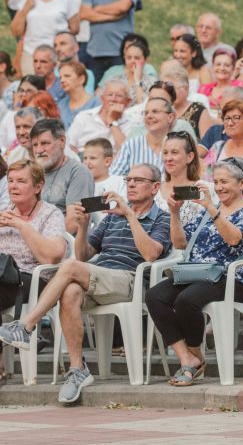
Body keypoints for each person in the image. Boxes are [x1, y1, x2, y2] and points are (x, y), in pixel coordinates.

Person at [0, 164, 170, 403]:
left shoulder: (161, 218)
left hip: (130, 280)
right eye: (129, 179)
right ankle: (77, 369)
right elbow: (83, 255)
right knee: (70, 291)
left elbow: (151, 255)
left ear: (155, 187)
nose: (131, 184)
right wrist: (82, 226)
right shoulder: (111, 219)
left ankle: (26, 326)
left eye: (138, 180)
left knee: (69, 267)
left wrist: (130, 216)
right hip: (100, 277)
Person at [145, 158, 243, 386]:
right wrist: (175, 213)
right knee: (154, 296)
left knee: (186, 300)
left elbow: (234, 239)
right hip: (196, 273)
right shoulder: (207, 212)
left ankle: (193, 360)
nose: (219, 187)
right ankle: (188, 357)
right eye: (216, 182)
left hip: (229, 278)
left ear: (242, 183)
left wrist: (210, 207)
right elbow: (180, 243)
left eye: (224, 182)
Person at [0, 160, 68, 318]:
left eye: (21, 181)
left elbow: (53, 256)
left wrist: (21, 225)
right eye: (10, 181)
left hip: (32, 278)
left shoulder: (50, 214)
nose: (13, 186)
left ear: (38, 186)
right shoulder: (3, 211)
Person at [10, 0, 80, 74]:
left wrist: (62, 44)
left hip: (58, 56)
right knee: (31, 85)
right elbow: (15, 31)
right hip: (32, 55)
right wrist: (25, 9)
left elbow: (75, 29)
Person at [30, 119, 94, 213]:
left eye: (45, 143)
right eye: (35, 145)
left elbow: (76, 220)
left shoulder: (78, 172)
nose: (39, 150)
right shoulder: (30, 172)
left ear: (62, 141)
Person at [65, 78, 129, 153]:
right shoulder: (84, 117)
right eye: (110, 94)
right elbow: (68, 145)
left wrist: (112, 121)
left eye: (119, 96)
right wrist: (80, 158)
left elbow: (126, 151)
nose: (113, 99)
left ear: (128, 102)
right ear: (102, 99)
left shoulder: (131, 123)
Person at [205, 99, 243, 165]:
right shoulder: (217, 147)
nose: (230, 123)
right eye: (227, 118)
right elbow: (206, 171)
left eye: (236, 118)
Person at [55, 60, 97, 126]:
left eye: (67, 76)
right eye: (60, 78)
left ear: (81, 79)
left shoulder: (96, 103)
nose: (62, 80)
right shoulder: (61, 105)